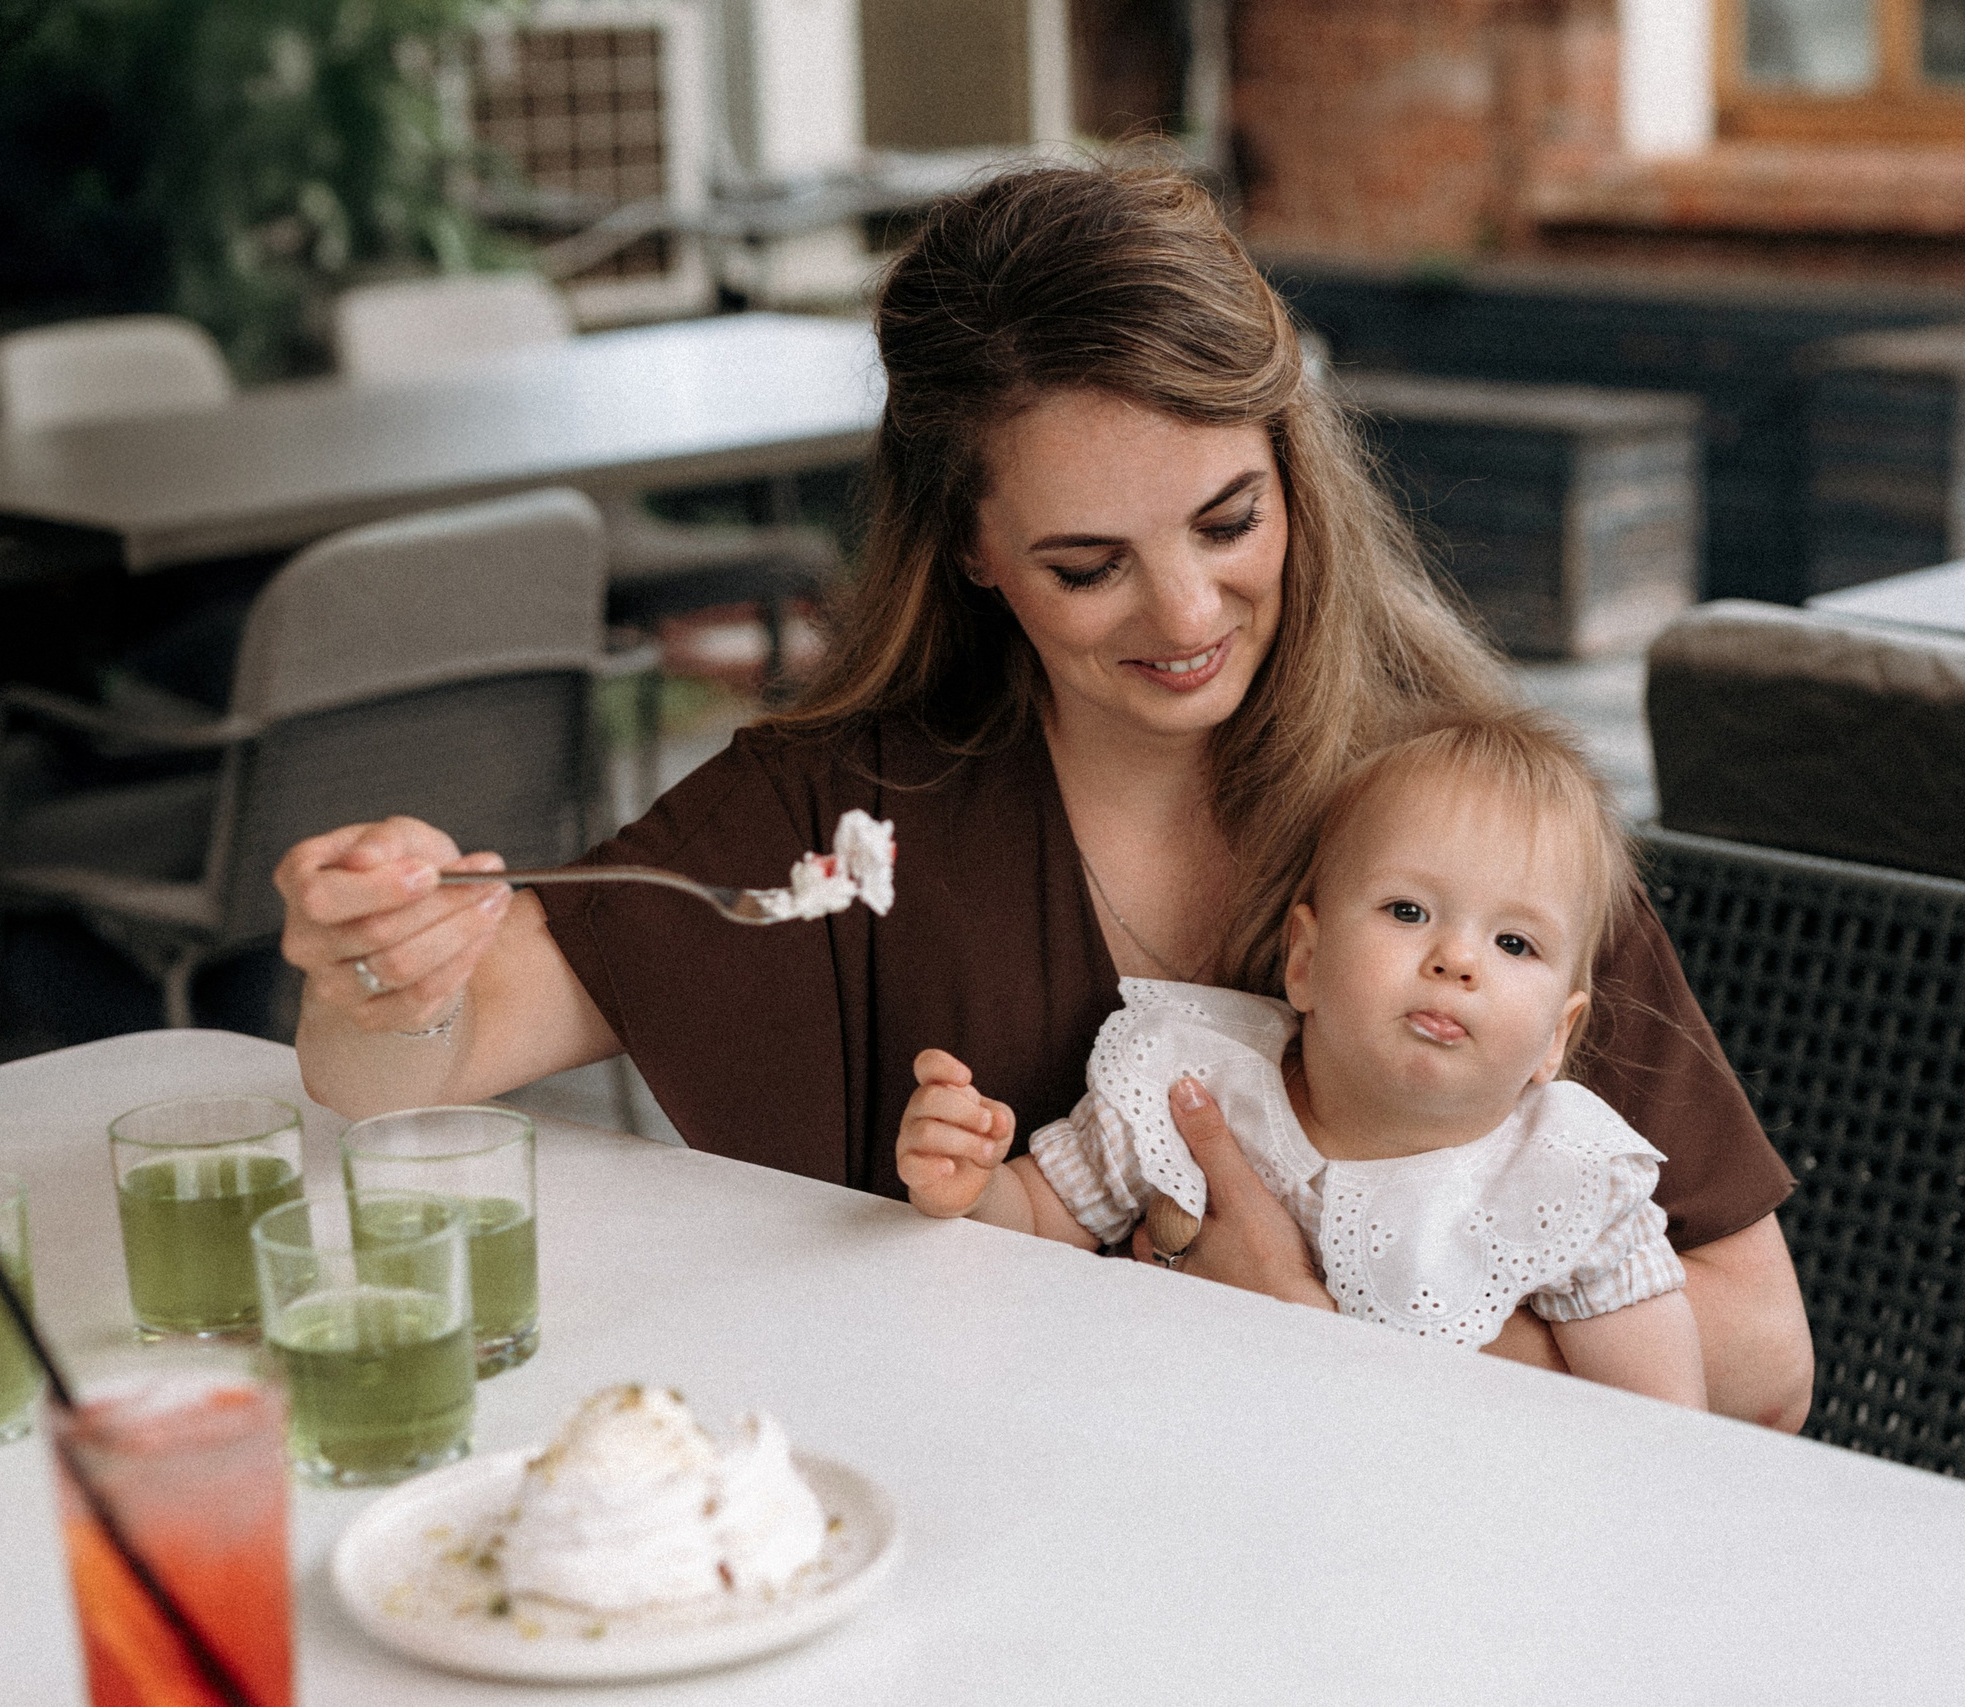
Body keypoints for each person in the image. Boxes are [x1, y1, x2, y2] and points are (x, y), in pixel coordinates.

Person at [273, 162, 1812, 1429]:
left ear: (1292, 465)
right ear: (970, 547)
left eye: (1230, 520)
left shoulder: (1467, 822)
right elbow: (402, 1067)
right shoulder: (845, 805)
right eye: (1089, 564)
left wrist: (1315, 1319)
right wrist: (380, 946)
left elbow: (1762, 1356)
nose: (1186, 609)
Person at [898, 714, 1706, 1406]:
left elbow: (1657, 1432)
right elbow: (1039, 1223)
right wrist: (973, 1185)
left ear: (1556, 1038)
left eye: (1514, 942)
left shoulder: (1567, 1184)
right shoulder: (1194, 1085)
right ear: (1304, 961)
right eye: (1408, 909)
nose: (1458, 958)